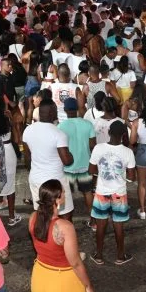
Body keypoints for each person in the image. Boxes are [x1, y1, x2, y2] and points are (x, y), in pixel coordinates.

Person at [29, 180, 94, 292]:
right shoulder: (64, 227)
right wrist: (87, 285)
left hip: (40, 277)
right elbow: (75, 263)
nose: (65, 195)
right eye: (63, 193)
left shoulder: (33, 218)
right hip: (63, 282)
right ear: (57, 199)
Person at [88, 120, 136, 265]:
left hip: (102, 192)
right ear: (123, 134)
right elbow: (132, 177)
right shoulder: (128, 152)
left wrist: (102, 173)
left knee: (101, 225)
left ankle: (99, 255)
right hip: (119, 193)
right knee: (119, 225)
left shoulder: (98, 148)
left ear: (108, 133)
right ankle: (120, 256)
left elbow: (91, 170)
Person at [23, 101, 75, 220]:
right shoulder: (59, 134)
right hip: (55, 181)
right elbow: (67, 161)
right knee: (65, 213)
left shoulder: (28, 130)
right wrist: (71, 154)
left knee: (42, 214)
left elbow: (27, 158)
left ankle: (44, 236)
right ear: (53, 113)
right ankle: (64, 236)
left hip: (36, 178)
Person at [58, 97, 97, 227]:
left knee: (65, 195)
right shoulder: (87, 124)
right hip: (85, 166)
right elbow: (93, 146)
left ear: (65, 110)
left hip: (67, 168)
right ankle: (93, 221)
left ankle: (66, 223)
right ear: (76, 109)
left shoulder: (61, 127)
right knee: (87, 193)